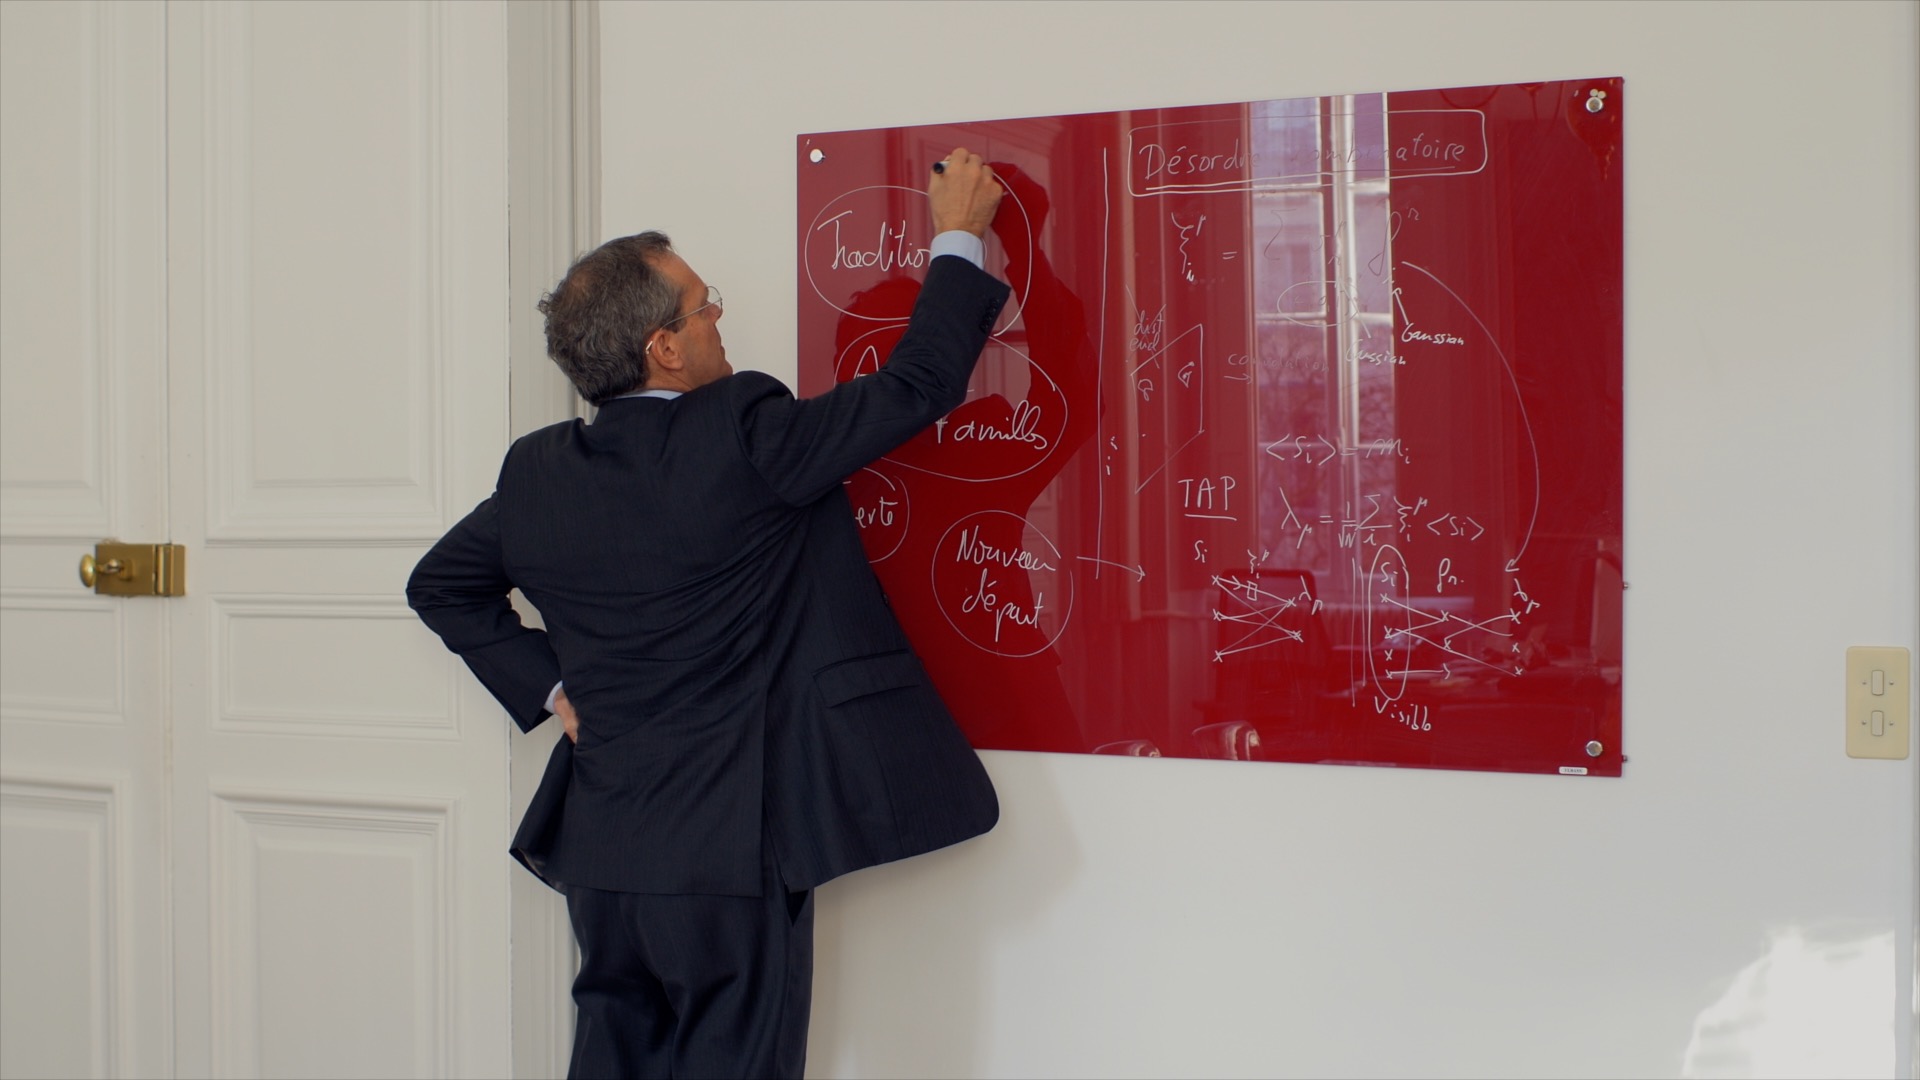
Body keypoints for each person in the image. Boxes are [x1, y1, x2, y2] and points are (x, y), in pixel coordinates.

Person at [406, 149, 1008, 1078]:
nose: (719, 315)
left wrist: (553, 689)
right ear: (665, 347)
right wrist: (959, 235)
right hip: (729, 860)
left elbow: (439, 584)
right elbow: (915, 387)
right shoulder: (744, 434)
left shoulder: (538, 473)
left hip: (603, 857)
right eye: (702, 305)